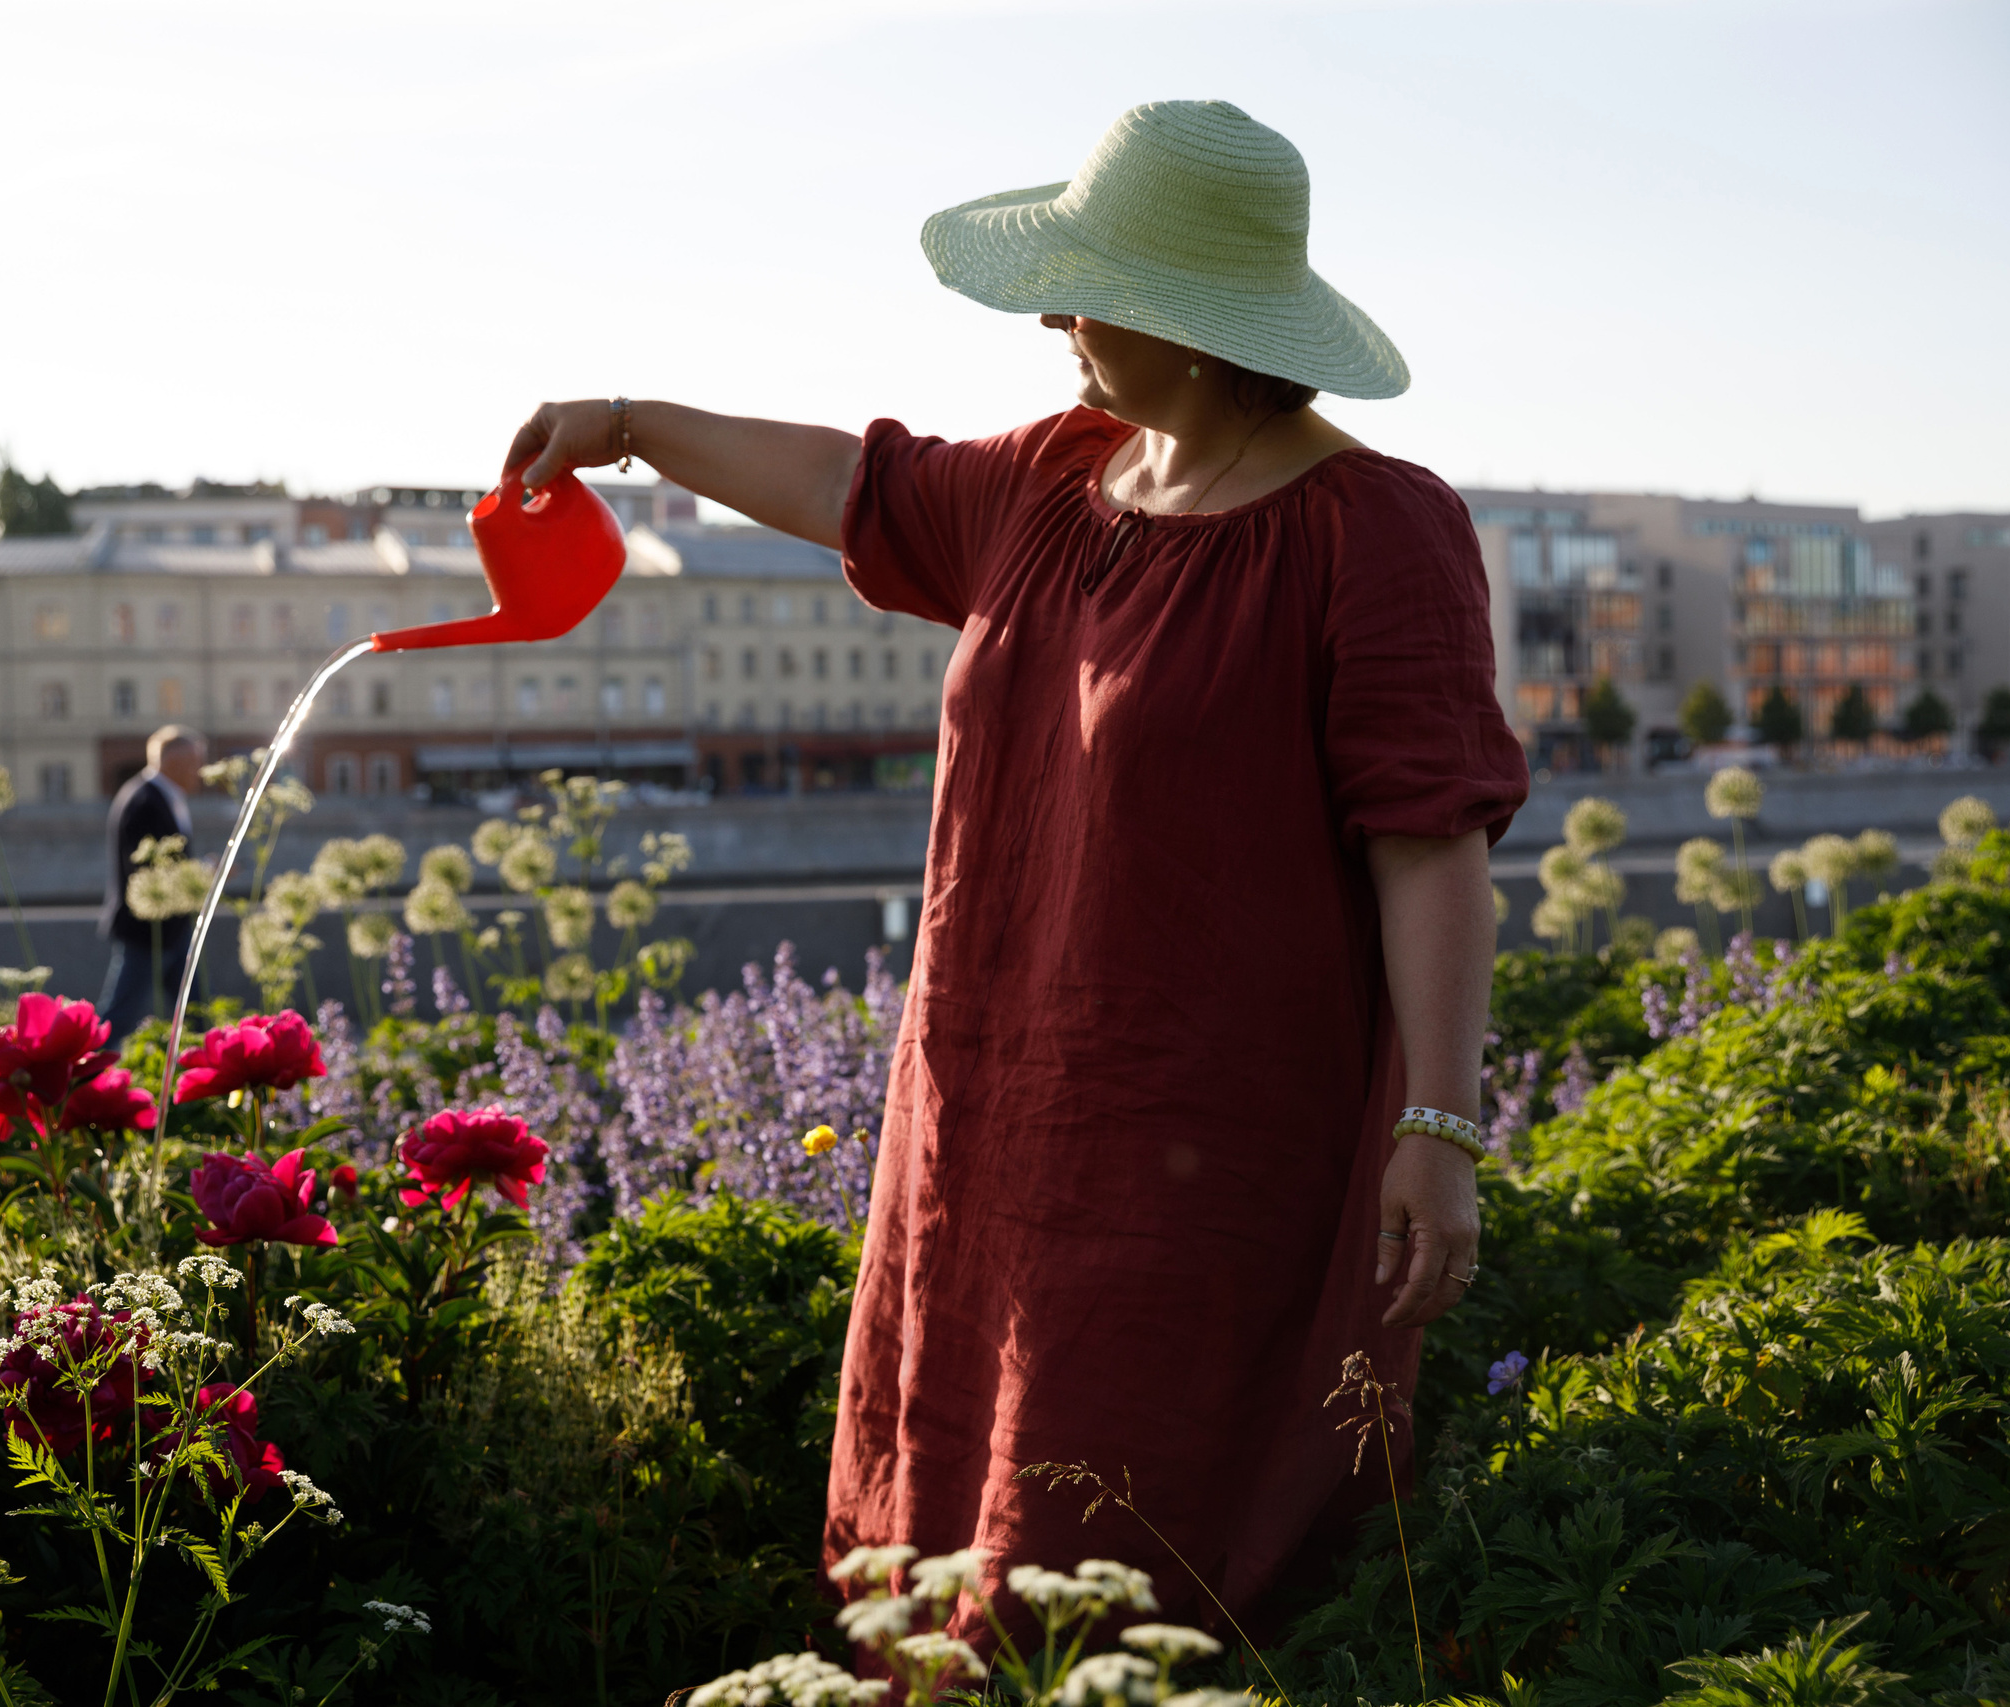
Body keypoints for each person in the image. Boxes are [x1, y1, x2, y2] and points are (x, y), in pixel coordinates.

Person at [506, 100, 1530, 1636]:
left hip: (1211, 1155)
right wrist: (631, 422)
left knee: (1146, 1534)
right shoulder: (1052, 479)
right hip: (984, 1123)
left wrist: (1439, 1124)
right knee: (952, 1512)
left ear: (1197, 325)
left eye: (1089, 287)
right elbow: (856, 485)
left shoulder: (1378, 530)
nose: (1055, 315)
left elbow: (1432, 841)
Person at [97, 724, 203, 1040]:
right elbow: (146, 869)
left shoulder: (157, 795)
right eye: (195, 762)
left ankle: (203, 1073)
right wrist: (205, 871)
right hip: (148, 928)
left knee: (194, 1010)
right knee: (121, 1014)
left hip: (172, 926)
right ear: (177, 762)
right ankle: (84, 1078)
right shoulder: (145, 800)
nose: (199, 772)